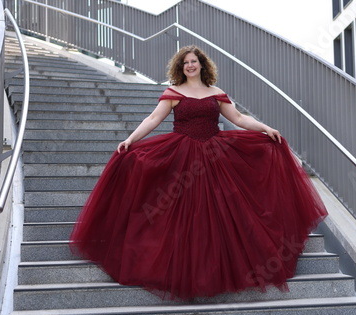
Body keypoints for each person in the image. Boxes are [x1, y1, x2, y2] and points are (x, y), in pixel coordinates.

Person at [70, 45, 328, 300]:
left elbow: (238, 118)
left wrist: (265, 128)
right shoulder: (173, 92)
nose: (190, 65)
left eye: (194, 61)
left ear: (202, 64)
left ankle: (225, 267)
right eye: (185, 63)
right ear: (180, 67)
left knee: (223, 212)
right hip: (181, 156)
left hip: (216, 155)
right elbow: (152, 119)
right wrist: (130, 139)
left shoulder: (216, 93)